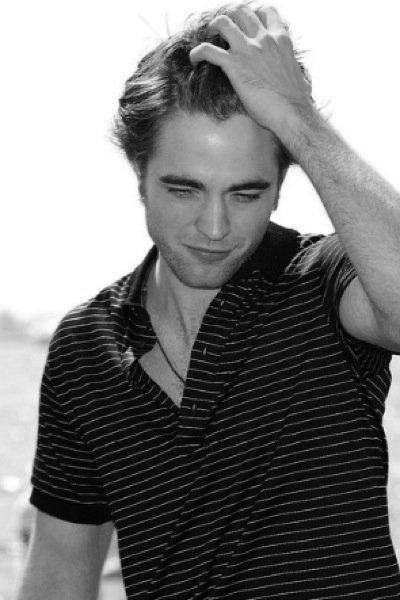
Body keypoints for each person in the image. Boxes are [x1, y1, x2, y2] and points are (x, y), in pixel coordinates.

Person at [17, 3, 400, 599]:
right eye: (184, 189)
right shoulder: (85, 345)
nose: (215, 228)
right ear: (139, 175)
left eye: (246, 194)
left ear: (281, 187)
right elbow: (59, 573)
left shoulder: (326, 283)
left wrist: (299, 118)